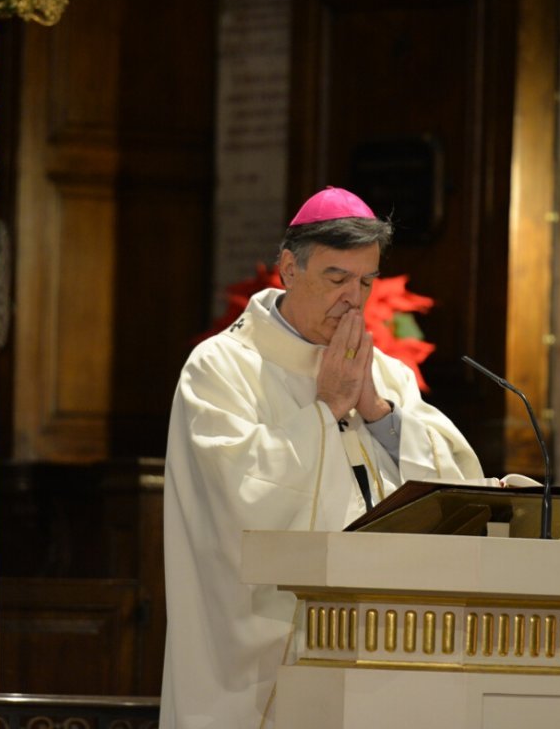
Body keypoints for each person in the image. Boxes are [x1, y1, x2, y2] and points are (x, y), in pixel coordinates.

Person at [159, 186, 483, 728]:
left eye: (365, 282)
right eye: (336, 279)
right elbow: (240, 503)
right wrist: (326, 409)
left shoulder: (388, 376)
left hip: (387, 652)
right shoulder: (219, 370)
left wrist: (377, 411)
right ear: (289, 268)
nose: (354, 299)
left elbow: (454, 497)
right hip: (267, 669)